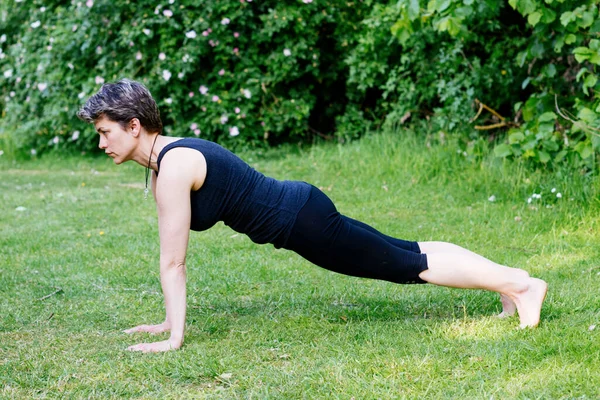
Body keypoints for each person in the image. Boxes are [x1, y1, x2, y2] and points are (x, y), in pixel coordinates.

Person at [77, 79, 548, 353]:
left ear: (134, 126)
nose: (102, 143)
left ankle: (524, 288)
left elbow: (173, 262)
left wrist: (174, 337)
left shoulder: (174, 167)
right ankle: (509, 282)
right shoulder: (166, 164)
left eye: (105, 132)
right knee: (406, 250)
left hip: (302, 222)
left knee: (406, 264)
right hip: (302, 209)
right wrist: (166, 323)